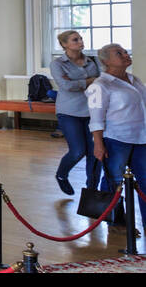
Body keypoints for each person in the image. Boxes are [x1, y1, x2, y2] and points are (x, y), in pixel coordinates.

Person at [88, 43, 146, 194]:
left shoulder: (134, 80)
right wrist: (98, 144)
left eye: (125, 52)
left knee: (145, 181)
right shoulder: (100, 85)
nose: (126, 55)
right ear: (106, 61)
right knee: (113, 181)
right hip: (116, 140)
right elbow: (95, 119)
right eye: (119, 54)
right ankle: (113, 217)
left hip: (141, 138)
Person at [50, 30, 103, 196]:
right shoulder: (58, 64)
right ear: (64, 44)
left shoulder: (93, 61)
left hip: (93, 111)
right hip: (69, 112)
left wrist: (77, 82)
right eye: (75, 40)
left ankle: (91, 191)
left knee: (95, 154)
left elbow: (101, 82)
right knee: (77, 151)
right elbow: (66, 87)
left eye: (80, 39)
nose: (80, 42)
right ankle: (62, 174)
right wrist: (89, 81)